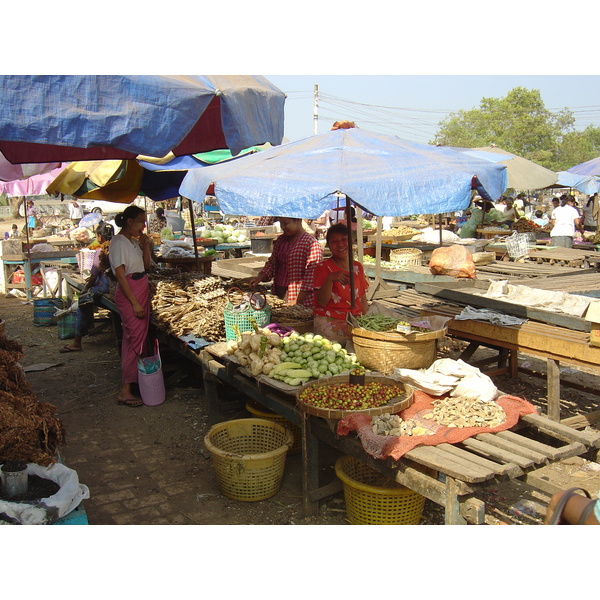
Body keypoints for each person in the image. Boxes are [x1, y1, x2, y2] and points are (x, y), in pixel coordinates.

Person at [109, 205, 152, 407]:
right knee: (135, 340)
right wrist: (134, 302)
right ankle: (125, 390)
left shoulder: (133, 242)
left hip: (140, 287)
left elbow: (147, 266)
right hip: (131, 292)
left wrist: (145, 246)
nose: (143, 226)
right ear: (129, 222)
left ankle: (136, 383)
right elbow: (120, 274)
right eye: (141, 222)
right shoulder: (118, 243)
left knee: (136, 338)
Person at [59, 223, 114, 353]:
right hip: (120, 285)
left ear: (99, 236)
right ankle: (89, 328)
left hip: (106, 287)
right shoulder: (121, 247)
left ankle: (77, 341)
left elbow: (94, 276)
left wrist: (86, 288)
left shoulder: (101, 251)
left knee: (83, 301)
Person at [313, 223, 369, 345]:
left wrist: (368, 320)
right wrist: (330, 279)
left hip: (355, 319)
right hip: (330, 319)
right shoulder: (323, 268)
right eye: (334, 242)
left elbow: (362, 298)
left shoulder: (357, 267)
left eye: (344, 240)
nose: (340, 244)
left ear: (351, 241)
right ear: (329, 245)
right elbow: (322, 301)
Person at [248, 216, 323, 306]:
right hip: (279, 292)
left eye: (286, 224)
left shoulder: (311, 244)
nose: (282, 227)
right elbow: (272, 263)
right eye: (281, 223)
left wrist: (296, 301)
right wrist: (260, 277)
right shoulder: (281, 240)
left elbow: (311, 278)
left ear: (298, 221)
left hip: (300, 297)